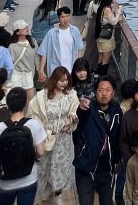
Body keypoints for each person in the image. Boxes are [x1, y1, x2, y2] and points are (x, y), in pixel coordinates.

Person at [0, 86, 47, 205]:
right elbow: (41, 152)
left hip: (5, 182)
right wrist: (31, 155)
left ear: (7, 105)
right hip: (28, 179)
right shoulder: (34, 125)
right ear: (26, 103)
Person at [28, 67, 79, 200]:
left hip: (64, 137)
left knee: (61, 165)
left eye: (67, 80)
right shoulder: (42, 95)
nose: (64, 83)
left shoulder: (71, 94)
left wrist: (72, 119)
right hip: (47, 136)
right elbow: (33, 112)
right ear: (54, 80)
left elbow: (75, 111)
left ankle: (58, 190)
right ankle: (46, 189)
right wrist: (41, 130)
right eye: (61, 80)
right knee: (46, 165)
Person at [73, 76, 122, 205]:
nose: (104, 94)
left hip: (106, 165)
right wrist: (80, 109)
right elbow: (80, 116)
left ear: (113, 92)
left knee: (107, 201)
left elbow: (117, 137)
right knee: (85, 201)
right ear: (95, 92)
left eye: (108, 90)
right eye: (100, 90)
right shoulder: (88, 108)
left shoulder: (116, 110)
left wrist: (117, 159)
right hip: (86, 164)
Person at [37, 8, 84, 83]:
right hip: (55, 70)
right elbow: (43, 52)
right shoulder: (51, 33)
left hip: (72, 68)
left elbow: (80, 49)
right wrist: (41, 70)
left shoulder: (75, 30)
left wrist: (80, 66)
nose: (65, 19)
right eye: (62, 17)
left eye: (67, 16)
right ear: (58, 18)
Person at [94, 0, 123, 76]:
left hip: (100, 37)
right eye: (112, 1)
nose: (113, 3)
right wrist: (119, 11)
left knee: (100, 58)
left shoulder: (101, 7)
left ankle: (97, 76)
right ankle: (102, 77)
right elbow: (113, 22)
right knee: (105, 60)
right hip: (106, 39)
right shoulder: (106, 9)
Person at [9, 22, 37, 103]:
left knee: (31, 102)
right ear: (17, 32)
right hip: (16, 75)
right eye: (23, 27)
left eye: (26, 26)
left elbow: (36, 56)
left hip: (28, 74)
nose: (26, 28)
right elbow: (10, 63)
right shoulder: (12, 46)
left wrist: (39, 70)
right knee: (16, 101)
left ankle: (28, 115)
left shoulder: (32, 41)